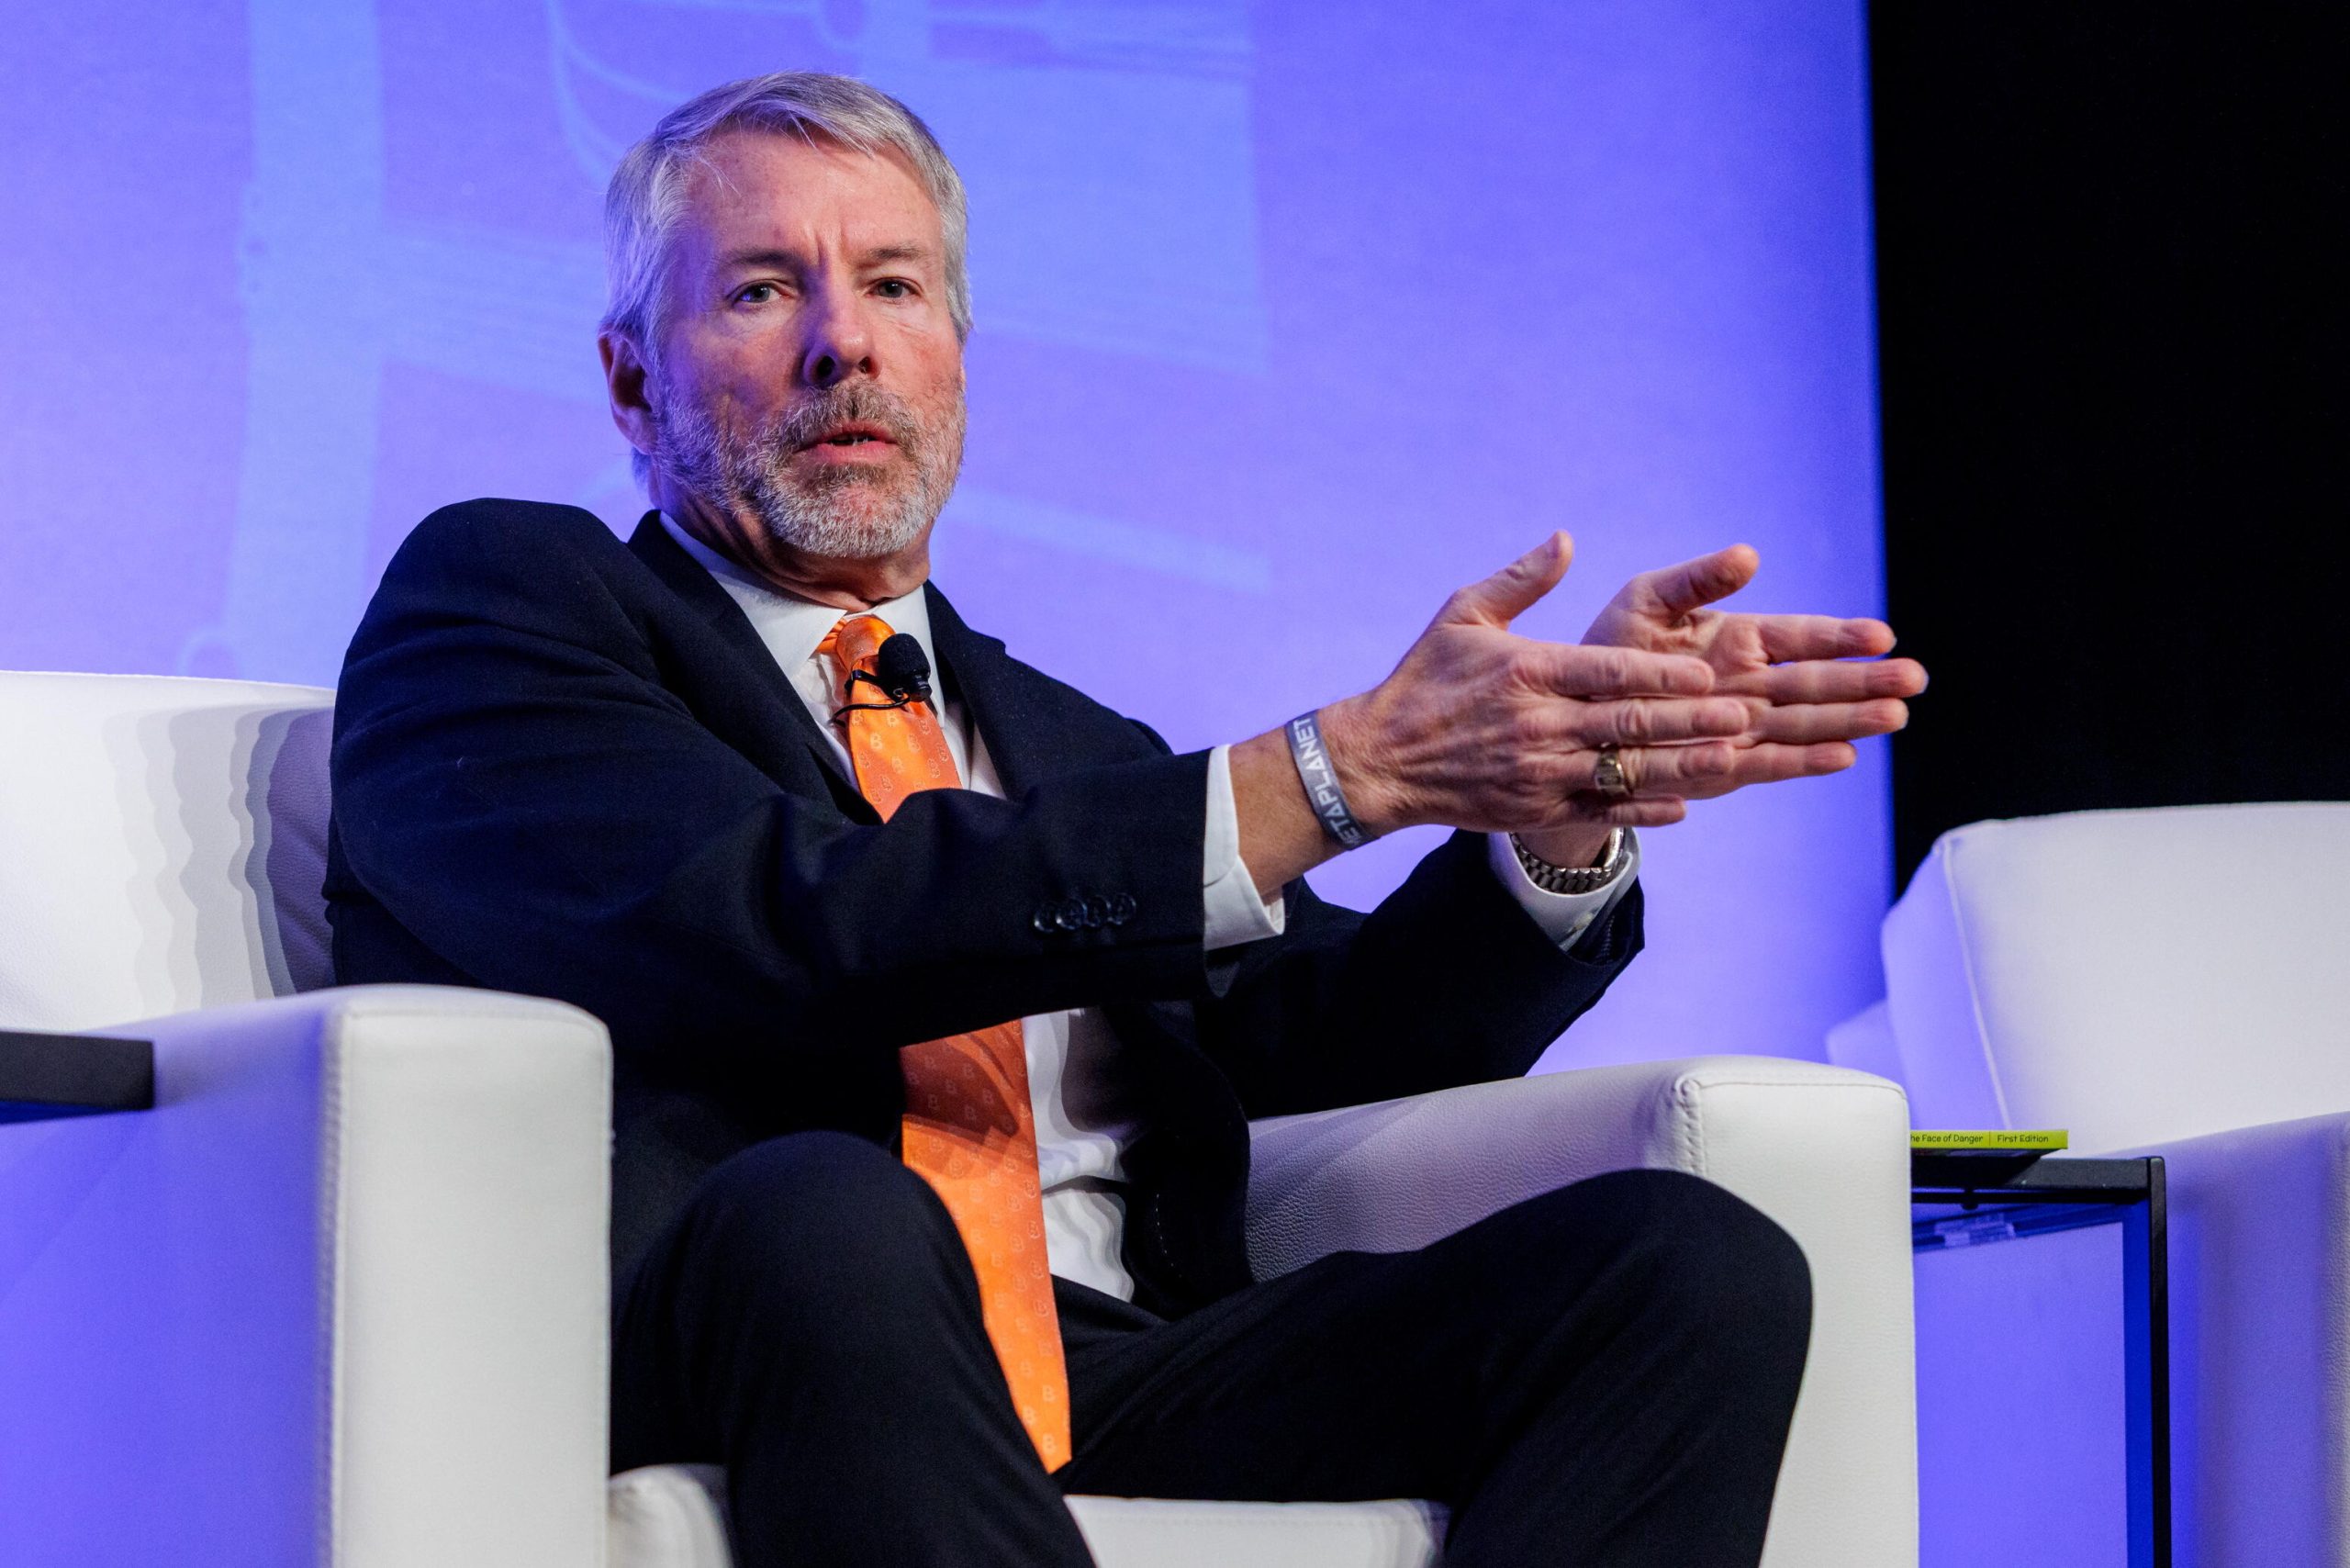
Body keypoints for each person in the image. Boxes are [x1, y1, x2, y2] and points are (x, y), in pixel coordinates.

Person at [325, 73, 1924, 1568]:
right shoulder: (511, 610)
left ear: (957, 356)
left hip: (1109, 1353)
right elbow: (780, 921)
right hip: (750, 1322)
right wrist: (1336, 770)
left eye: (895, 286)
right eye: (760, 290)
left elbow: (1323, 1047)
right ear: (630, 380)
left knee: (1685, 1269)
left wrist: (1555, 822)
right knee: (833, 1209)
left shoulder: (1067, 745)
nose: (844, 344)